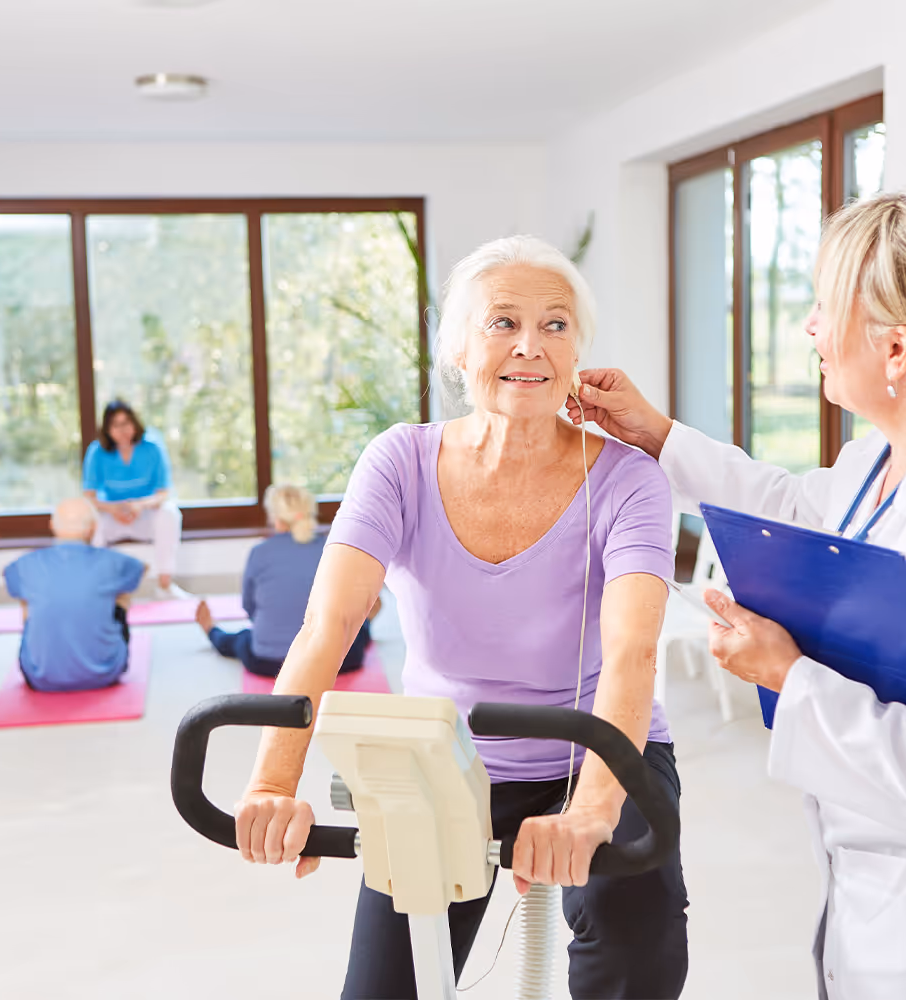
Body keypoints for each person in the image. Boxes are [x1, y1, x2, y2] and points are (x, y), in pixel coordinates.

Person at [571, 184, 906, 999]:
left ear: (897, 350)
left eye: (825, 308)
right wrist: (659, 437)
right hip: (882, 883)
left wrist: (790, 676)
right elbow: (799, 510)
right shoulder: (893, 454)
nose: (810, 329)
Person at [233, 236, 687, 999]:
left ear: (579, 348)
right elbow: (328, 625)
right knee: (384, 988)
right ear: (455, 349)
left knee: (637, 948)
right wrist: (273, 783)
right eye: (501, 322)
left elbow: (633, 652)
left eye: (555, 325)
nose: (529, 347)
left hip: (599, 747)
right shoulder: (399, 462)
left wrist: (592, 810)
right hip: (447, 759)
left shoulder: (628, 480)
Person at [194, 484, 376, 677]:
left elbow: (249, 609)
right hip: (338, 662)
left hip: (269, 662)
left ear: (275, 518)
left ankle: (210, 629)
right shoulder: (332, 548)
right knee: (357, 630)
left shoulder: (259, 553)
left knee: (242, 639)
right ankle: (367, 620)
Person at [3, 497, 146, 692]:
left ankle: (49, 654)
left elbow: (10, 579)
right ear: (94, 527)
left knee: (29, 601)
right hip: (104, 675)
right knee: (121, 593)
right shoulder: (111, 561)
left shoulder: (26, 563)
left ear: (52, 525)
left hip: (40, 678)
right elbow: (140, 569)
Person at [81, 399, 187, 599]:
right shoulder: (97, 452)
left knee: (170, 513)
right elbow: (89, 497)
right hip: (112, 516)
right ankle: (97, 590)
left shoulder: (152, 447)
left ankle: (165, 586)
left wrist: (139, 506)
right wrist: (112, 509)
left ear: (135, 423)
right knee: (93, 522)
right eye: (115, 425)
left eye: (126, 423)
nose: (122, 430)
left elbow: (163, 493)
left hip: (145, 514)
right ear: (107, 429)